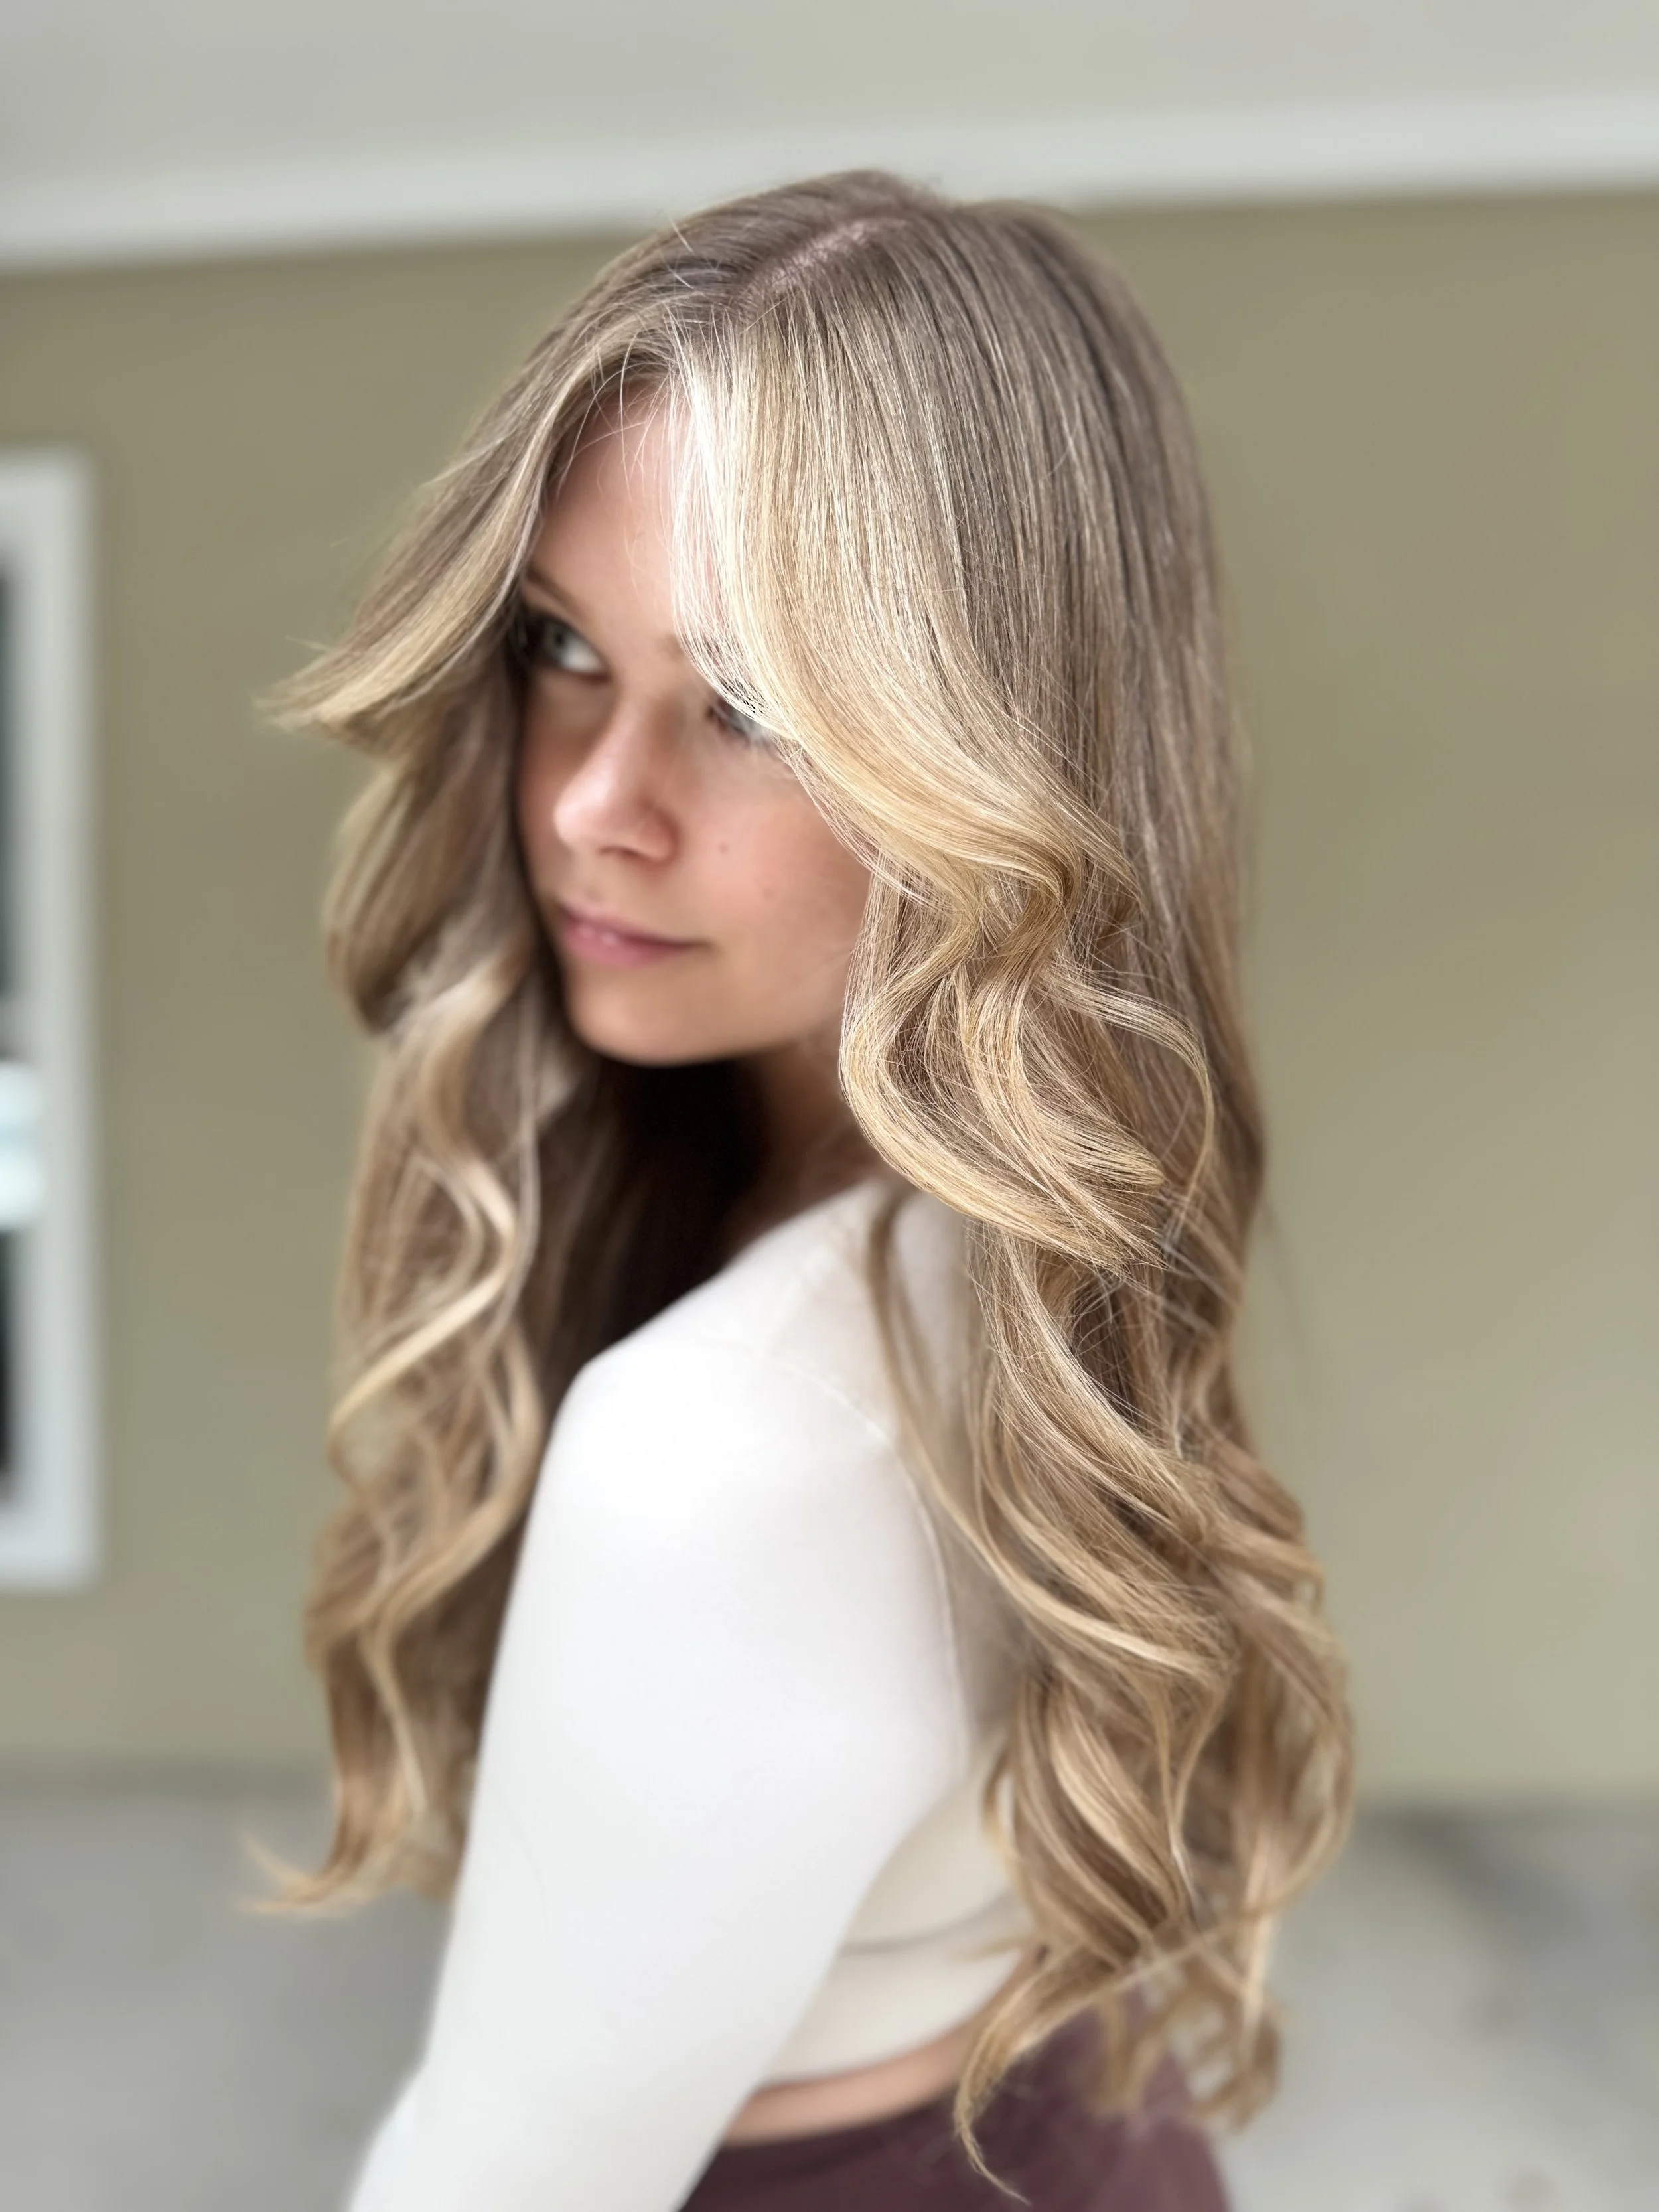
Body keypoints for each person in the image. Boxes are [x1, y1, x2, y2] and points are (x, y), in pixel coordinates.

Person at [268, 169, 1354, 2211]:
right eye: (562, 646)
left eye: (746, 706)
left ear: (1006, 761)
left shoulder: (719, 1450)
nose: (595, 800)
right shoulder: (1031, 1243)